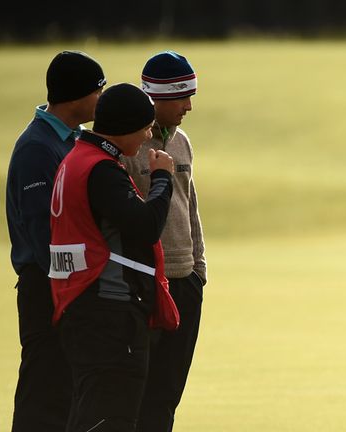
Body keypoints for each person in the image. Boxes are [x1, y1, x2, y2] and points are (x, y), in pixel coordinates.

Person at [49, 83, 179, 432]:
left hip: (84, 305)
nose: (149, 134)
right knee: (111, 416)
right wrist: (163, 179)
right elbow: (146, 225)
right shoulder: (100, 169)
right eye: (146, 126)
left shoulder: (76, 158)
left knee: (89, 412)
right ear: (127, 126)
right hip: (109, 310)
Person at [5, 50, 106, 431]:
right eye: (99, 90)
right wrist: (77, 283)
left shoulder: (75, 140)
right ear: (76, 95)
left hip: (68, 283)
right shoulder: (38, 147)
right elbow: (42, 231)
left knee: (66, 392)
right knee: (44, 391)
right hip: (46, 286)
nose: (102, 98)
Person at [121, 50, 207, 431]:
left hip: (184, 280)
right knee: (134, 393)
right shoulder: (127, 144)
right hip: (143, 282)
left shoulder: (182, 141)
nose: (189, 105)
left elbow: (190, 206)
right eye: (181, 97)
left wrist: (198, 270)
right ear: (156, 97)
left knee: (167, 393)